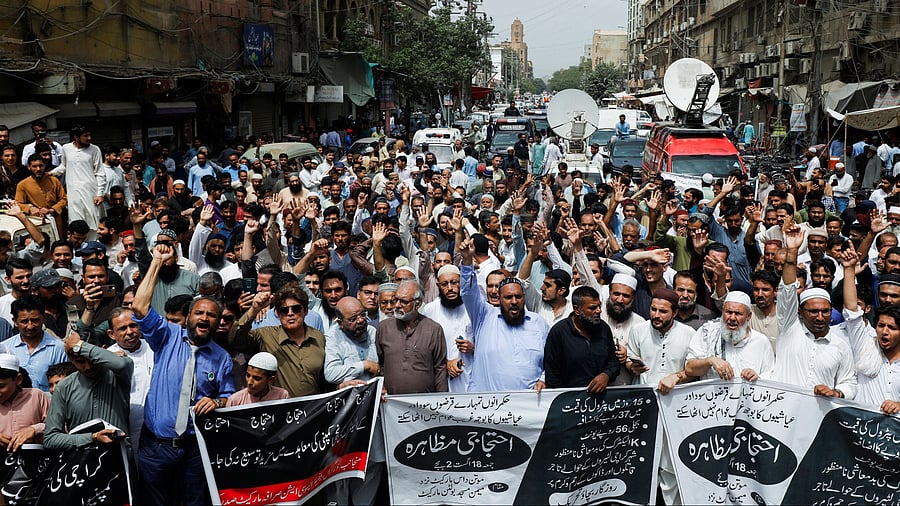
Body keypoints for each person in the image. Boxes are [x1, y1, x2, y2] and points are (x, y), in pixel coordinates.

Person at [131, 239, 234, 506]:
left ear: (217, 322)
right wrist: (156, 263)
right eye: (198, 313)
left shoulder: (221, 358)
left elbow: (227, 396)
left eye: (211, 315)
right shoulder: (167, 336)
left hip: (195, 450)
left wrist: (217, 401)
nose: (204, 318)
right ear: (188, 317)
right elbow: (140, 308)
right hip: (156, 447)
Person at [773, 221, 856, 399]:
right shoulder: (789, 329)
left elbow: (849, 382)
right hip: (781, 414)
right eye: (813, 312)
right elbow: (787, 290)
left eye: (825, 312)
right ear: (800, 312)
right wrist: (792, 251)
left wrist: (836, 392)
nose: (820, 317)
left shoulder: (840, 345)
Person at [460, 234, 550, 392]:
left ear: (524, 298)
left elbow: (551, 359)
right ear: (499, 299)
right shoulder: (484, 316)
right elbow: (468, 292)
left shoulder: (539, 323)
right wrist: (467, 262)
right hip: (486, 405)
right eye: (508, 297)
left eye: (518, 297)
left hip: (529, 406)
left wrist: (544, 379)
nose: (514, 301)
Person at [230, 286, 327, 397]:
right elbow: (235, 340)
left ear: (305, 311)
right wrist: (253, 310)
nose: (290, 313)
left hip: (314, 407)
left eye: (296, 309)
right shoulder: (265, 336)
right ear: (278, 315)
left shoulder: (318, 337)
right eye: (284, 310)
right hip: (280, 408)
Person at [42, 333, 133, 450]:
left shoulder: (117, 375)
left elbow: (121, 363)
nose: (88, 367)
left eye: (92, 359)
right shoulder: (65, 387)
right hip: (81, 461)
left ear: (102, 351)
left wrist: (79, 346)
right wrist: (92, 438)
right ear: (71, 359)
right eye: (80, 362)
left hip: (120, 458)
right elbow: (50, 439)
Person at [840, 243, 900, 413]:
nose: (885, 331)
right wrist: (849, 270)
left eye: (892, 327)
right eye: (881, 325)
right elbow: (852, 310)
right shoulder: (866, 344)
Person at [683, 291, 774, 382]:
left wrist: (757, 377)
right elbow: (689, 369)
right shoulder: (707, 333)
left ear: (748, 316)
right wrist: (710, 361)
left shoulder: (761, 342)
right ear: (723, 312)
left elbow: (770, 376)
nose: (732, 318)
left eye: (738, 314)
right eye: (729, 312)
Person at [376, 279, 448, 394]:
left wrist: (442, 400)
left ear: (418, 304)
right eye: (396, 299)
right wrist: (380, 387)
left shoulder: (433, 329)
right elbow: (379, 365)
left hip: (423, 405)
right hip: (391, 403)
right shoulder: (384, 328)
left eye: (404, 301)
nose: (397, 305)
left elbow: (440, 369)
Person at [544, 286, 619, 391]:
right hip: (571, 402)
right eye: (593, 308)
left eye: (599, 306)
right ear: (577, 310)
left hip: (602, 400)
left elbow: (613, 362)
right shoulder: (559, 333)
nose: (599, 311)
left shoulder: (603, 329)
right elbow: (552, 377)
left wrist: (606, 375)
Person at [419, 264, 474, 392]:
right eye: (445, 284)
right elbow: (424, 348)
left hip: (471, 376)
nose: (450, 288)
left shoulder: (472, 307)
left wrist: (473, 348)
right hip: (441, 378)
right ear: (438, 286)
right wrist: (446, 363)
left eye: (454, 283)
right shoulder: (430, 310)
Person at [49, 125, 106, 241]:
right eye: (86, 136)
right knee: (76, 222)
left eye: (90, 135)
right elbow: (63, 166)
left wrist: (100, 193)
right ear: (76, 137)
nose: (89, 138)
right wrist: (50, 174)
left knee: (93, 222)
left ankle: (93, 247)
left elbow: (100, 173)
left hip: (91, 193)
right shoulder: (66, 148)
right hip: (73, 193)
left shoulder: (94, 149)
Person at [107, 306, 154, 447]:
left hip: (157, 427)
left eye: (133, 325)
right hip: (127, 426)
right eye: (122, 328)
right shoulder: (107, 357)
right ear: (111, 334)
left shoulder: (154, 347)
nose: (130, 332)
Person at [0, 295, 68, 392]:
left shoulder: (59, 349)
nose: (30, 326)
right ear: (15, 322)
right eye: (24, 321)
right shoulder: (4, 349)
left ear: (44, 318)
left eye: (35, 320)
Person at [0, 353, 49, 451]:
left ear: (18, 379)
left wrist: (34, 430)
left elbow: (59, 427)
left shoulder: (36, 396)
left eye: (1, 386)